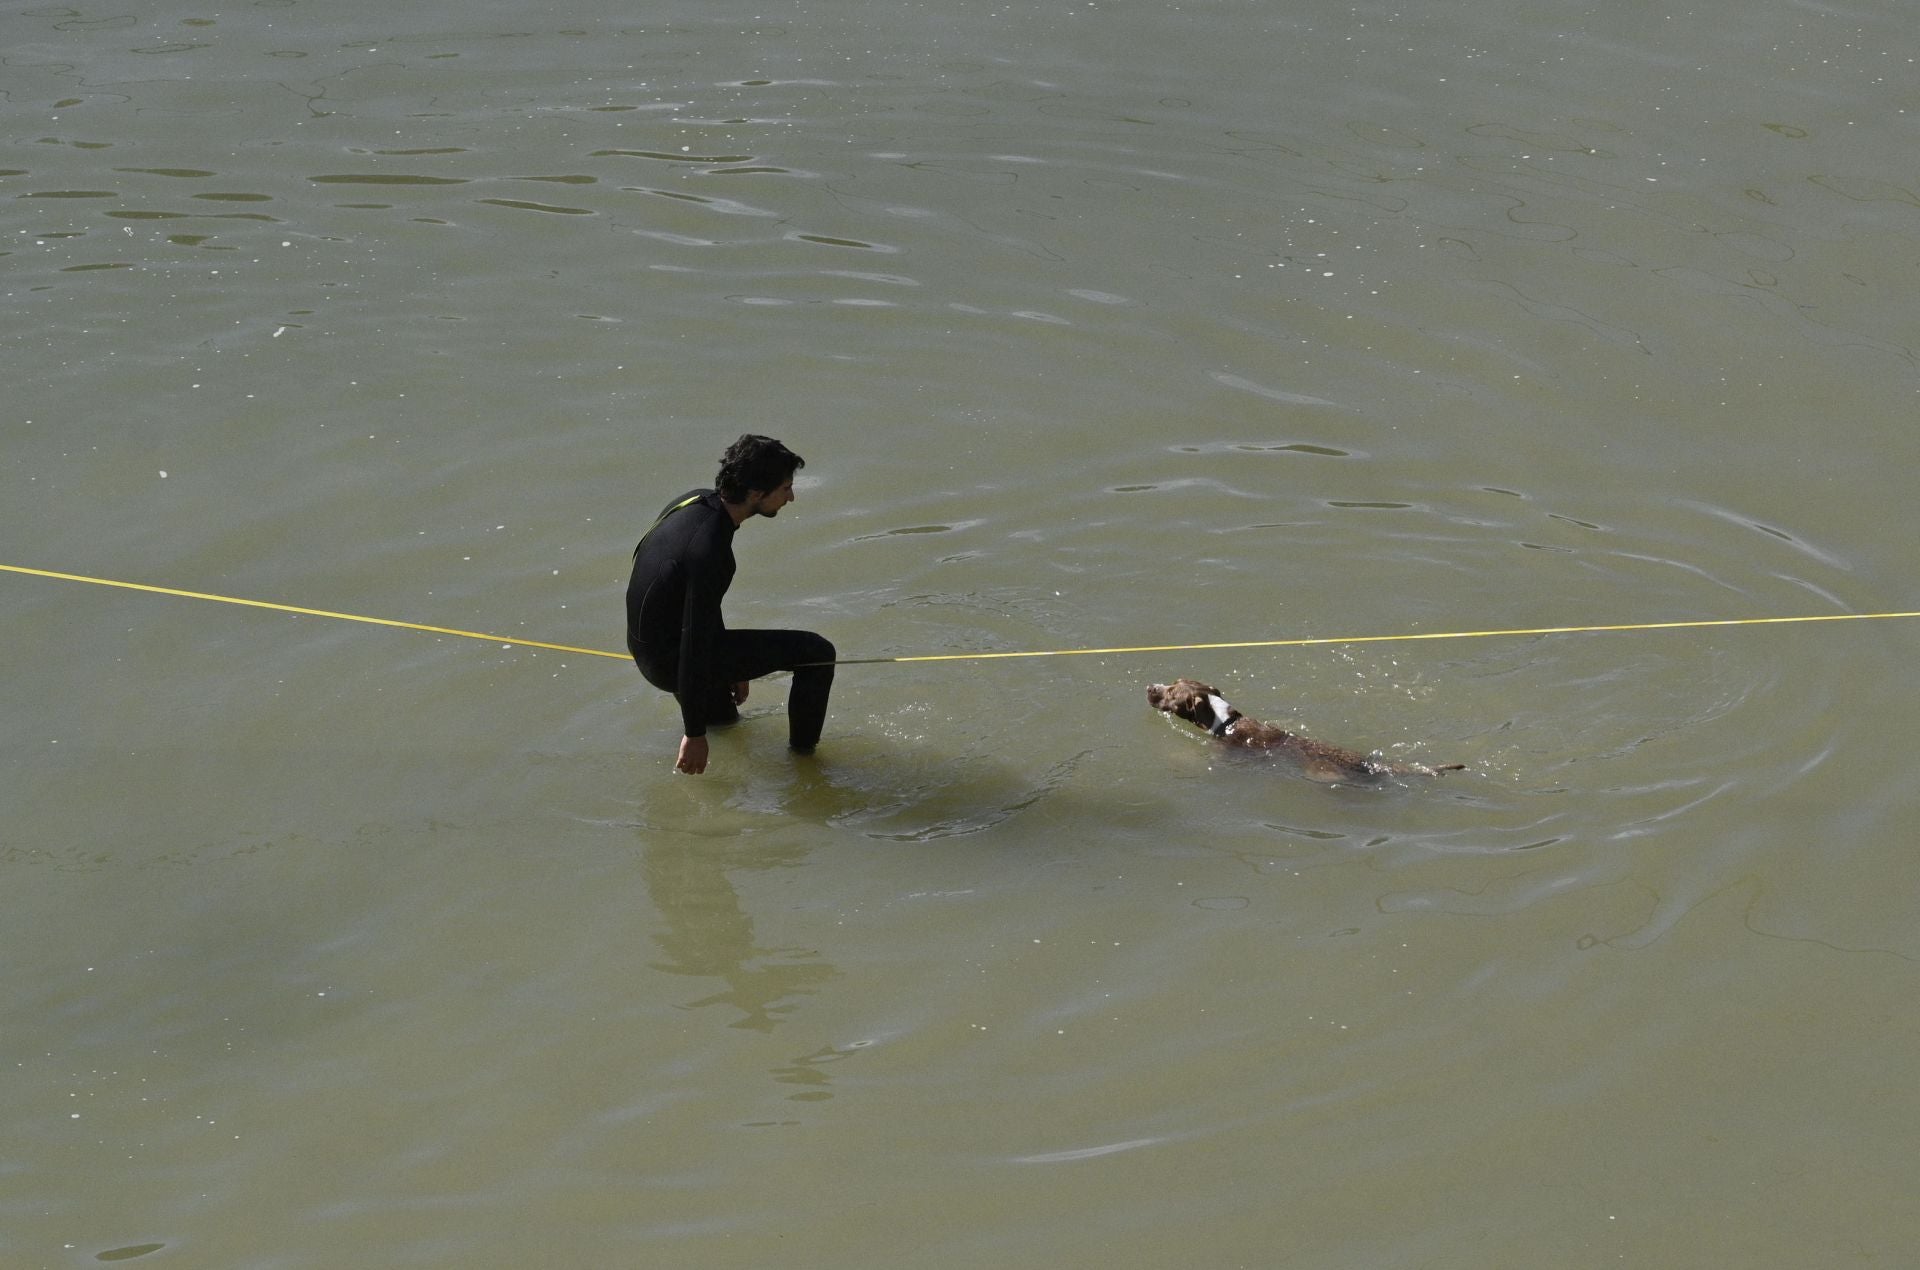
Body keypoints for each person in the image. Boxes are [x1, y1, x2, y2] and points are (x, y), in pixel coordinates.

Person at [625, 435, 836, 774]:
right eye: (785, 488)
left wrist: (733, 666)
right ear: (756, 493)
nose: (791, 497)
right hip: (673, 661)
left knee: (725, 724)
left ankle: (716, 726)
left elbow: (692, 596)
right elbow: (694, 647)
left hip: (646, 648)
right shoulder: (711, 551)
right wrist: (693, 734)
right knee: (817, 653)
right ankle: (804, 763)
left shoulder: (693, 502)